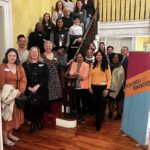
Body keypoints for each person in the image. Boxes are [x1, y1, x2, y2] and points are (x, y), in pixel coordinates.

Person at [0, 48, 27, 146]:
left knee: (15, 117)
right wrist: (10, 93)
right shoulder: (2, 67)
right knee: (7, 117)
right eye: (10, 55)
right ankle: (5, 138)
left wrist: (20, 90)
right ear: (6, 56)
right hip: (8, 96)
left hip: (18, 95)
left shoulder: (19, 66)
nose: (12, 57)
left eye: (14, 56)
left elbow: (24, 79)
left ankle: (10, 134)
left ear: (16, 57)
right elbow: (2, 83)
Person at [23, 46, 49, 133]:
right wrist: (29, 87)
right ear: (29, 53)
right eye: (32, 52)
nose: (34, 53)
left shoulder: (43, 63)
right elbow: (23, 77)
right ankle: (32, 123)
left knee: (40, 107)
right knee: (31, 107)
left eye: (36, 52)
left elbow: (46, 76)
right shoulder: (25, 64)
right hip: (29, 89)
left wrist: (38, 86)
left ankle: (39, 121)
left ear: (38, 53)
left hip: (41, 89)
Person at [89, 50, 111, 131]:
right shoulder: (92, 65)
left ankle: (98, 122)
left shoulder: (106, 65)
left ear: (103, 56)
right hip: (94, 88)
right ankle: (98, 119)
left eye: (100, 55)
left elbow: (109, 79)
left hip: (103, 88)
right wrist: (90, 87)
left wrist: (107, 89)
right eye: (97, 55)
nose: (98, 56)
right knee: (95, 105)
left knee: (101, 106)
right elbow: (90, 77)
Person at [69, 52, 89, 123]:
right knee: (77, 102)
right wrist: (77, 74)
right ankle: (79, 115)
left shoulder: (86, 65)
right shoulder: (74, 64)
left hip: (83, 87)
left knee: (84, 102)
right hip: (75, 87)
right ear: (76, 58)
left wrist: (76, 74)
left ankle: (83, 115)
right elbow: (70, 73)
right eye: (78, 57)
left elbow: (84, 77)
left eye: (81, 57)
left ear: (83, 58)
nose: (79, 58)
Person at [41, 41, 62, 108]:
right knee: (48, 93)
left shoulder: (55, 54)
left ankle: (56, 108)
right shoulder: (41, 56)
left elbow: (59, 64)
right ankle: (48, 107)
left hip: (55, 76)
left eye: (49, 46)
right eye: (46, 46)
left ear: (52, 47)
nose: (48, 47)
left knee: (56, 92)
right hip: (46, 77)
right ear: (44, 47)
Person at [108, 53, 125, 120]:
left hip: (119, 87)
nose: (115, 59)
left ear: (119, 59)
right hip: (109, 86)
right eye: (114, 57)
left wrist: (115, 87)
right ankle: (110, 112)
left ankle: (118, 114)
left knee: (119, 101)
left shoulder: (121, 67)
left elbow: (122, 78)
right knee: (110, 100)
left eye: (117, 58)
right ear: (111, 58)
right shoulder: (108, 66)